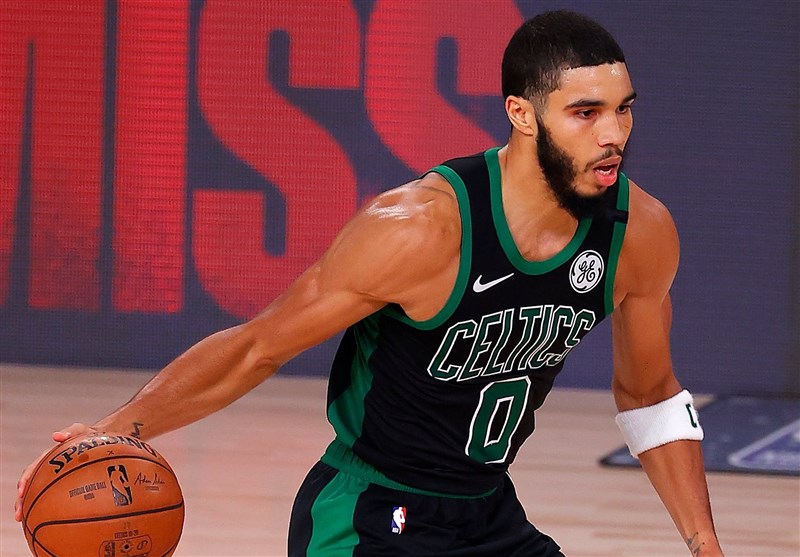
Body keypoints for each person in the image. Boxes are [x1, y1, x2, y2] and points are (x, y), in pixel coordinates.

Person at [15, 10, 724, 557]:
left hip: (487, 514)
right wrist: (112, 431)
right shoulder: (421, 228)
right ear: (521, 114)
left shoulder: (638, 231)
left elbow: (649, 394)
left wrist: (705, 546)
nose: (614, 133)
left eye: (624, 108)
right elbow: (257, 347)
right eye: (586, 113)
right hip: (370, 516)